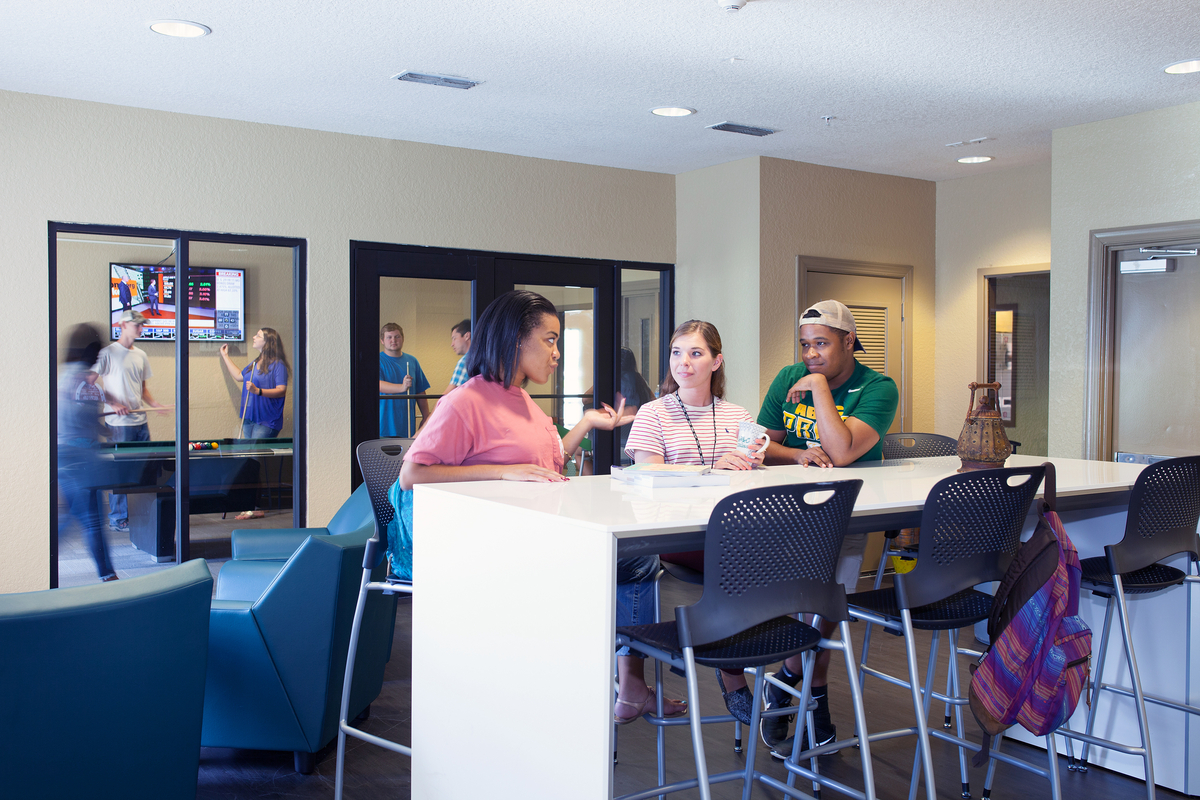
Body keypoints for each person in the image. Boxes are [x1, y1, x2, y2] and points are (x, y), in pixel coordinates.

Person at [394, 290, 637, 699]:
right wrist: (502, 472)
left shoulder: (522, 398)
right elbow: (411, 475)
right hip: (492, 551)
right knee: (629, 565)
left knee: (635, 560)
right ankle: (611, 685)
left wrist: (588, 423)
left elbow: (547, 461)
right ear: (514, 339)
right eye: (550, 339)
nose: (556, 352)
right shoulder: (466, 400)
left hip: (530, 537)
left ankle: (619, 684)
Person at [755, 299, 898, 757]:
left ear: (849, 341)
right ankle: (813, 697)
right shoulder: (784, 380)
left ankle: (790, 680)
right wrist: (796, 454)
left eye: (820, 344)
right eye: (804, 346)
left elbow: (842, 452)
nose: (810, 354)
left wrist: (818, 388)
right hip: (790, 513)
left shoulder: (878, 388)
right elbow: (761, 446)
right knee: (804, 606)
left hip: (847, 514)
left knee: (829, 607)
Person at [622, 320, 763, 724]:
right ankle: (732, 674)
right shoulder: (653, 412)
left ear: (717, 361)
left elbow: (750, 470)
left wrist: (747, 466)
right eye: (676, 352)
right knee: (740, 566)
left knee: (778, 561)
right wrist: (710, 468)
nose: (683, 362)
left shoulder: (739, 414)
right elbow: (646, 475)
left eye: (696, 353)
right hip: (675, 531)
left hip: (733, 530)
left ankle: (785, 666)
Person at [58, 324, 119, 582]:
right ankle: (108, 577)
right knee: (92, 520)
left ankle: (38, 560)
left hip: (62, 455)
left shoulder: (64, 376)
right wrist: (107, 430)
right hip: (82, 456)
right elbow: (85, 415)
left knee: (75, 516)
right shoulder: (81, 378)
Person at [97, 310, 166, 533]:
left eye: (141, 325)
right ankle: (118, 518)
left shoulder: (141, 355)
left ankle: (141, 515)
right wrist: (113, 402)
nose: (140, 329)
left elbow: (143, 389)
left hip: (140, 421)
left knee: (145, 469)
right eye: (136, 325)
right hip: (119, 425)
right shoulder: (107, 353)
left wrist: (154, 404)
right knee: (122, 471)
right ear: (122, 325)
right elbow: (89, 382)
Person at [379, 323, 431, 438]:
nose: (393, 340)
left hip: (407, 427)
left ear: (402, 339)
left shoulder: (412, 361)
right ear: (382, 341)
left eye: (397, 336)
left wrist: (426, 417)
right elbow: (378, 385)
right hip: (384, 427)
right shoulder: (377, 360)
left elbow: (420, 391)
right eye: (389, 337)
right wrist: (402, 387)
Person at [441, 318, 472, 396]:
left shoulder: (466, 361)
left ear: (467, 336)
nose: (452, 344)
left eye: (454, 338)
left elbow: (448, 395)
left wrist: (435, 408)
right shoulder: (487, 358)